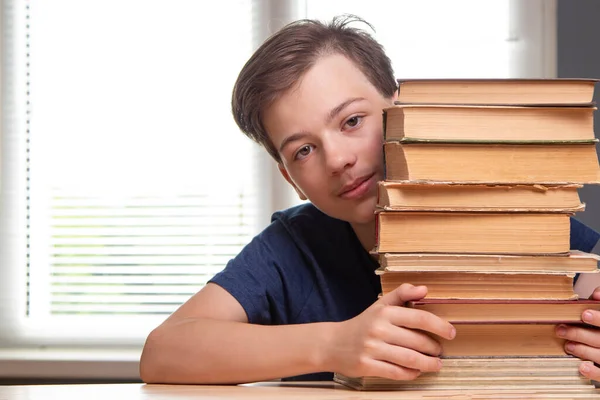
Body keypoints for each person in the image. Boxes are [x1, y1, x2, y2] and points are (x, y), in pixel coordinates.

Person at [139, 15, 600, 384]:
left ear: (401, 114)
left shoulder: (508, 209)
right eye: (303, 150)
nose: (337, 159)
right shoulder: (293, 248)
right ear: (291, 177)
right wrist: (334, 345)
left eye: (352, 121)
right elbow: (164, 351)